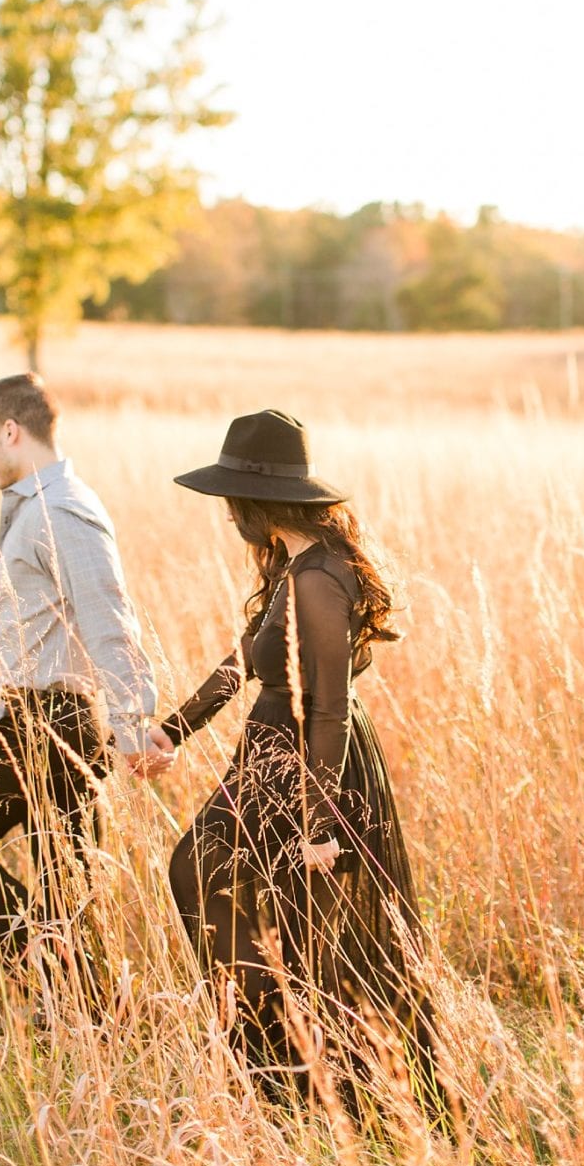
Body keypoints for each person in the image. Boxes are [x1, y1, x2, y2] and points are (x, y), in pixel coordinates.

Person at [142, 409, 442, 1119]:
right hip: (276, 744)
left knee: (231, 879)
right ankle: (285, 1072)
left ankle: (299, 1076)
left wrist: (320, 821)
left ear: (257, 500)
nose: (227, 517)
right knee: (261, 899)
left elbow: (331, 705)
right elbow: (247, 660)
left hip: (309, 758)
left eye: (231, 501)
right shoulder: (295, 561)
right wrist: (174, 729)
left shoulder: (317, 577)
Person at [0, 372, 158, 1008]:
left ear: (12, 432)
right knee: (64, 887)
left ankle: (73, 988)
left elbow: (109, 620)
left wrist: (133, 726)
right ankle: (86, 1008)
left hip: (52, 724)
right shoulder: (37, 505)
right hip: (35, 717)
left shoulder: (63, 510)